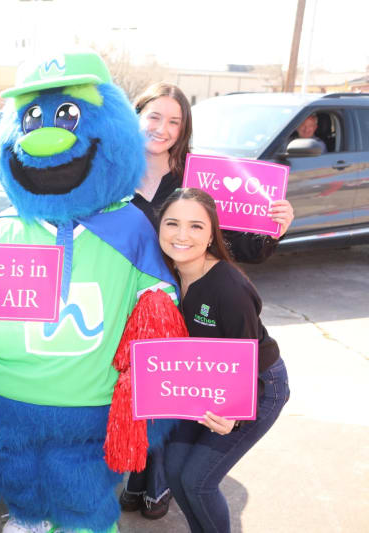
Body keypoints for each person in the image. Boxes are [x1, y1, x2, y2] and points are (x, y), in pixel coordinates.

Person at [120, 82, 295, 519]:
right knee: (137, 403)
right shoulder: (110, 178)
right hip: (129, 310)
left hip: (189, 322)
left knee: (176, 425)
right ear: (135, 116)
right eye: (154, 116)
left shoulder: (195, 182)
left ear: (184, 131)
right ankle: (141, 479)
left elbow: (239, 249)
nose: (162, 128)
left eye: (175, 121)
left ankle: (156, 487)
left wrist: (273, 225)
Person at [157, 187, 290, 532]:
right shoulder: (161, 275)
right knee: (175, 472)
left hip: (256, 386)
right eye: (172, 223)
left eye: (196, 227)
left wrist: (235, 416)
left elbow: (243, 358)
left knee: (198, 481)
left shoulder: (227, 286)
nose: (182, 235)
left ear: (212, 233)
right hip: (199, 382)